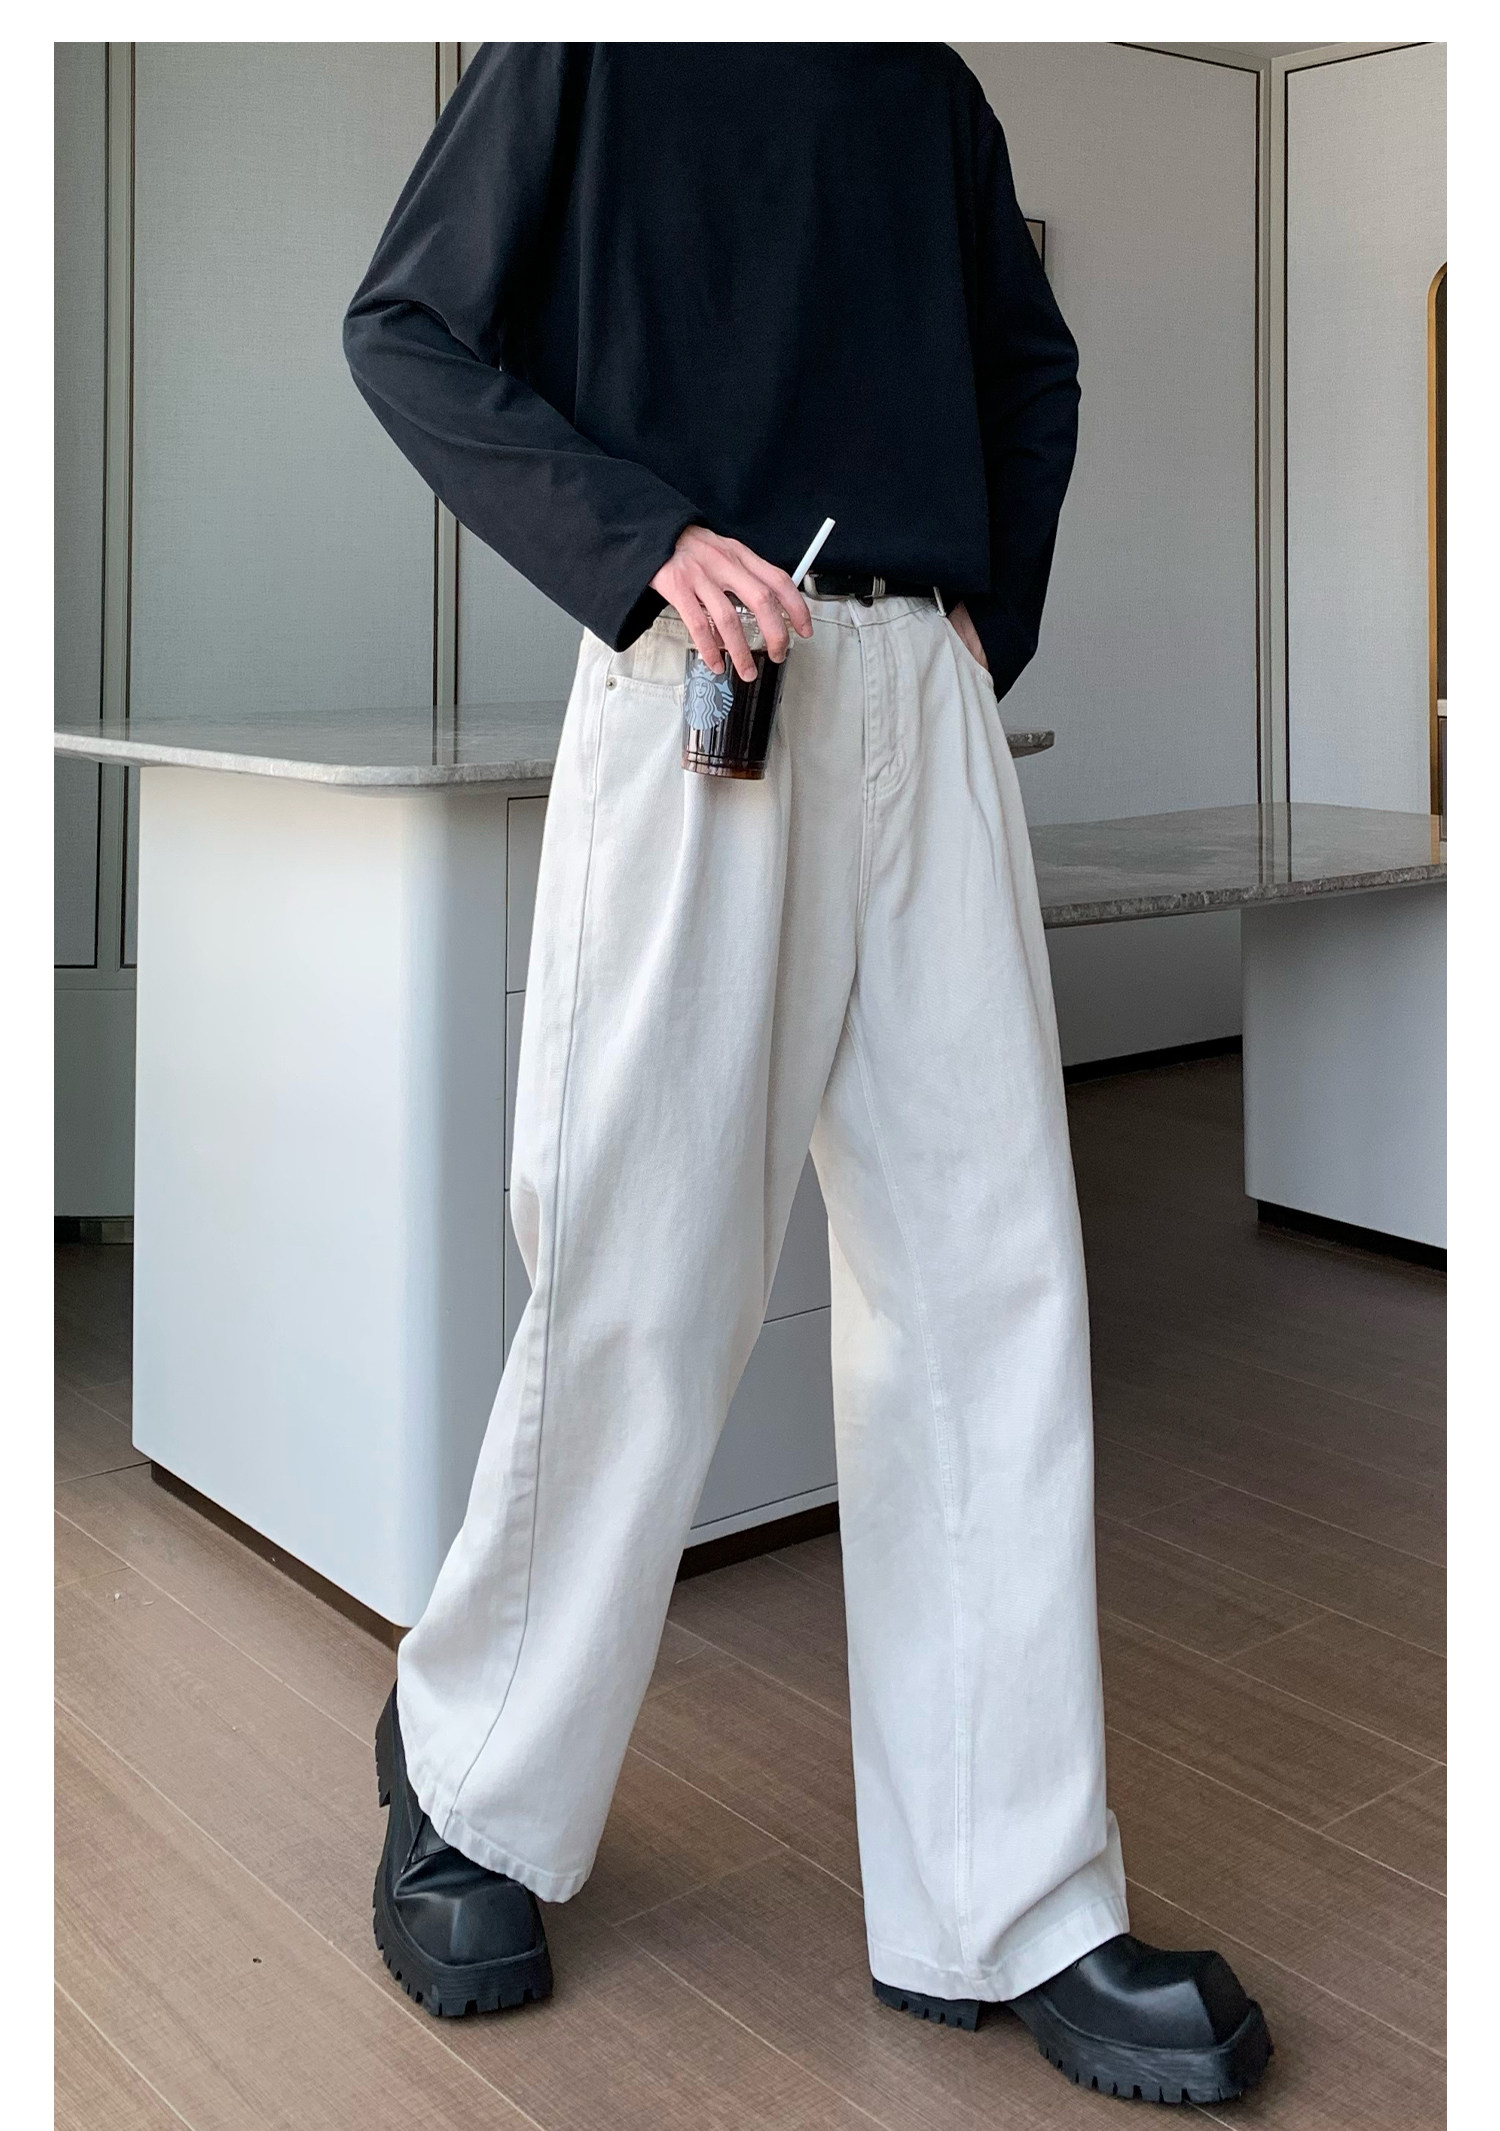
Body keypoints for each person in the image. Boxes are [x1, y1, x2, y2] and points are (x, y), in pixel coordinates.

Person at [343, 42, 1272, 2107]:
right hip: (700, 682)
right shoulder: (590, 46)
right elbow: (405, 326)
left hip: (921, 699)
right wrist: (644, 541)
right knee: (643, 1274)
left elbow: (1032, 366)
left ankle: (1006, 1894)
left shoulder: (924, 83)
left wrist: (978, 615)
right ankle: (470, 1783)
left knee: (988, 1285)